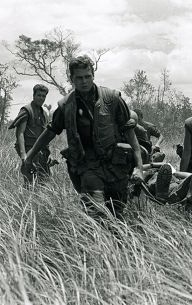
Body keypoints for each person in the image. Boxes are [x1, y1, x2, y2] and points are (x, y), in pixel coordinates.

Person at [23, 55, 144, 221]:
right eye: (79, 78)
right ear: (71, 79)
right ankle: (95, 243)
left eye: (87, 76)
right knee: (96, 211)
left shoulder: (113, 99)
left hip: (115, 166)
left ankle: (114, 244)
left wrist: (139, 167)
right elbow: (50, 131)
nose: (84, 81)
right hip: (86, 165)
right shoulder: (66, 106)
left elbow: (130, 133)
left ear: (93, 75)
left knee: (116, 214)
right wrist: (29, 156)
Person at [8, 84, 51, 184]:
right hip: (29, 149)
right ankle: (25, 198)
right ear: (34, 95)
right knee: (30, 180)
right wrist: (24, 155)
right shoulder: (26, 110)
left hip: (40, 150)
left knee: (44, 179)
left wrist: (47, 154)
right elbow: (20, 133)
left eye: (43, 96)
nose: (41, 98)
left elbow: (45, 135)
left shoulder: (44, 114)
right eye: (39, 95)